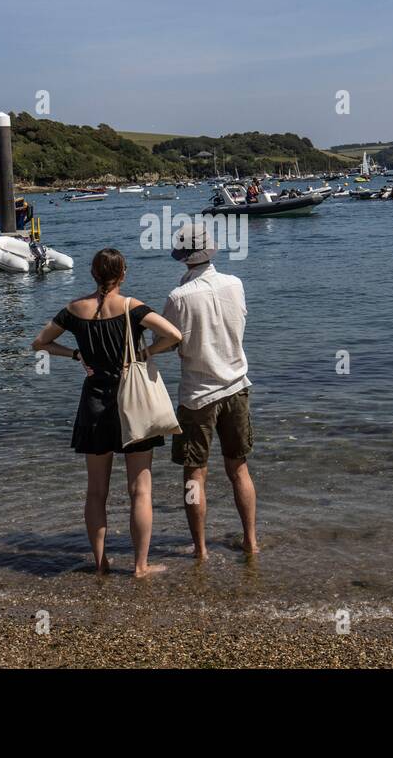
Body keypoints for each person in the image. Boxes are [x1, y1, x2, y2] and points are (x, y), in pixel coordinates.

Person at [32, 248, 183, 577]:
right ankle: (140, 566)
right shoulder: (132, 307)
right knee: (140, 490)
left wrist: (74, 355)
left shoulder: (74, 309)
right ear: (123, 274)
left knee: (96, 490)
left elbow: (39, 343)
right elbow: (174, 335)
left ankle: (100, 564)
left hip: (94, 405)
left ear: (93, 274)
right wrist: (143, 351)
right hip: (134, 407)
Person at [162, 224, 259, 558]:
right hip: (236, 386)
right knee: (239, 469)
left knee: (194, 475)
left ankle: (201, 549)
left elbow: (168, 342)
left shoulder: (178, 297)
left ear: (183, 258)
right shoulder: (236, 284)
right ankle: (251, 540)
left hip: (197, 394)